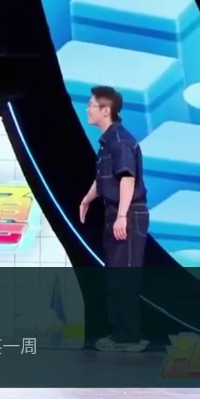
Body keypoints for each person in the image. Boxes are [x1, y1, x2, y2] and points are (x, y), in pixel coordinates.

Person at [79, 86, 150, 353]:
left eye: (91, 105)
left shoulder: (120, 141)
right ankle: (120, 332)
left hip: (128, 214)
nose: (87, 109)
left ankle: (129, 336)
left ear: (106, 110)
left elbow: (127, 179)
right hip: (115, 212)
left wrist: (122, 216)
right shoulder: (108, 141)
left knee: (124, 276)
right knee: (114, 276)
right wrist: (88, 199)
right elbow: (104, 178)